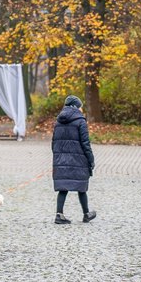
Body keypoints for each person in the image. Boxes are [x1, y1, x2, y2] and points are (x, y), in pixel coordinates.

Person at [52, 95, 96, 224]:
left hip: (61, 160)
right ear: (76, 107)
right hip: (79, 160)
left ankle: (59, 215)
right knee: (81, 186)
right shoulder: (80, 121)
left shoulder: (58, 121)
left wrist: (57, 157)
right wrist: (91, 159)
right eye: (80, 107)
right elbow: (85, 143)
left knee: (63, 187)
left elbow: (53, 143)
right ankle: (86, 214)